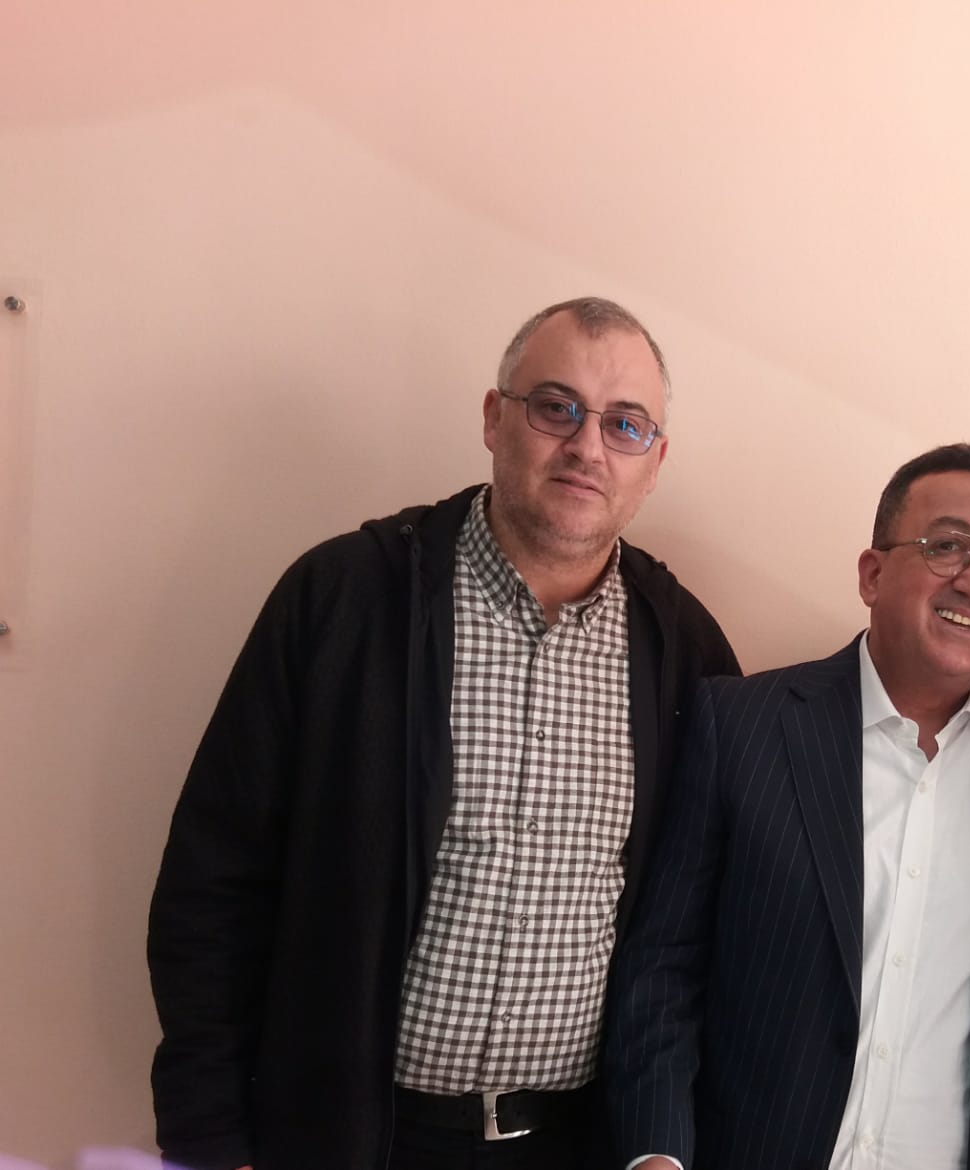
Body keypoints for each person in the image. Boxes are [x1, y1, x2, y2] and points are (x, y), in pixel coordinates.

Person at [147, 297, 741, 1170]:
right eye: (556, 407)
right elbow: (214, 878)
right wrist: (212, 1138)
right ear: (495, 419)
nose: (587, 447)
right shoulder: (344, 599)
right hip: (349, 1136)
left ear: (653, 463)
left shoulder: (685, 653)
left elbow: (700, 931)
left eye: (624, 425)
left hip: (578, 1143)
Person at [607, 444, 970, 1170]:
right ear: (872, 574)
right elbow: (662, 968)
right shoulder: (741, 726)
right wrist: (657, 1155)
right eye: (947, 546)